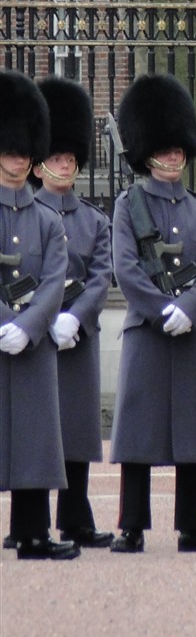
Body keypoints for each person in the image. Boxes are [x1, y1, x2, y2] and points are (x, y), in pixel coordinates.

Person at [109, 73, 196, 554]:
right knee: (138, 433)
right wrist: (163, 311)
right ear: (148, 152)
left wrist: (190, 309)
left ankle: (193, 526)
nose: (175, 156)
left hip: (192, 331)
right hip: (147, 329)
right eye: (165, 148)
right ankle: (131, 525)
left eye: (179, 148)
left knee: (194, 435)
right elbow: (126, 269)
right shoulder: (128, 205)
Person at [31, 78, 114, 547]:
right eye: (56, 157)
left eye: (69, 158)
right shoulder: (26, 214)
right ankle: (30, 521)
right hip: (36, 336)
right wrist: (44, 319)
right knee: (37, 429)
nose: (64, 165)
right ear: (39, 164)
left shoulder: (93, 220)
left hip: (77, 336)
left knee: (79, 432)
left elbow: (101, 276)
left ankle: (76, 518)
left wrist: (76, 318)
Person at [0, 70, 79, 560]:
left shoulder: (48, 220)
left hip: (32, 345)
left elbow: (55, 280)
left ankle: (33, 533)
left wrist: (27, 327)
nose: (17, 160)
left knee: (34, 440)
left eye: (23, 152)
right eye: (10, 151)